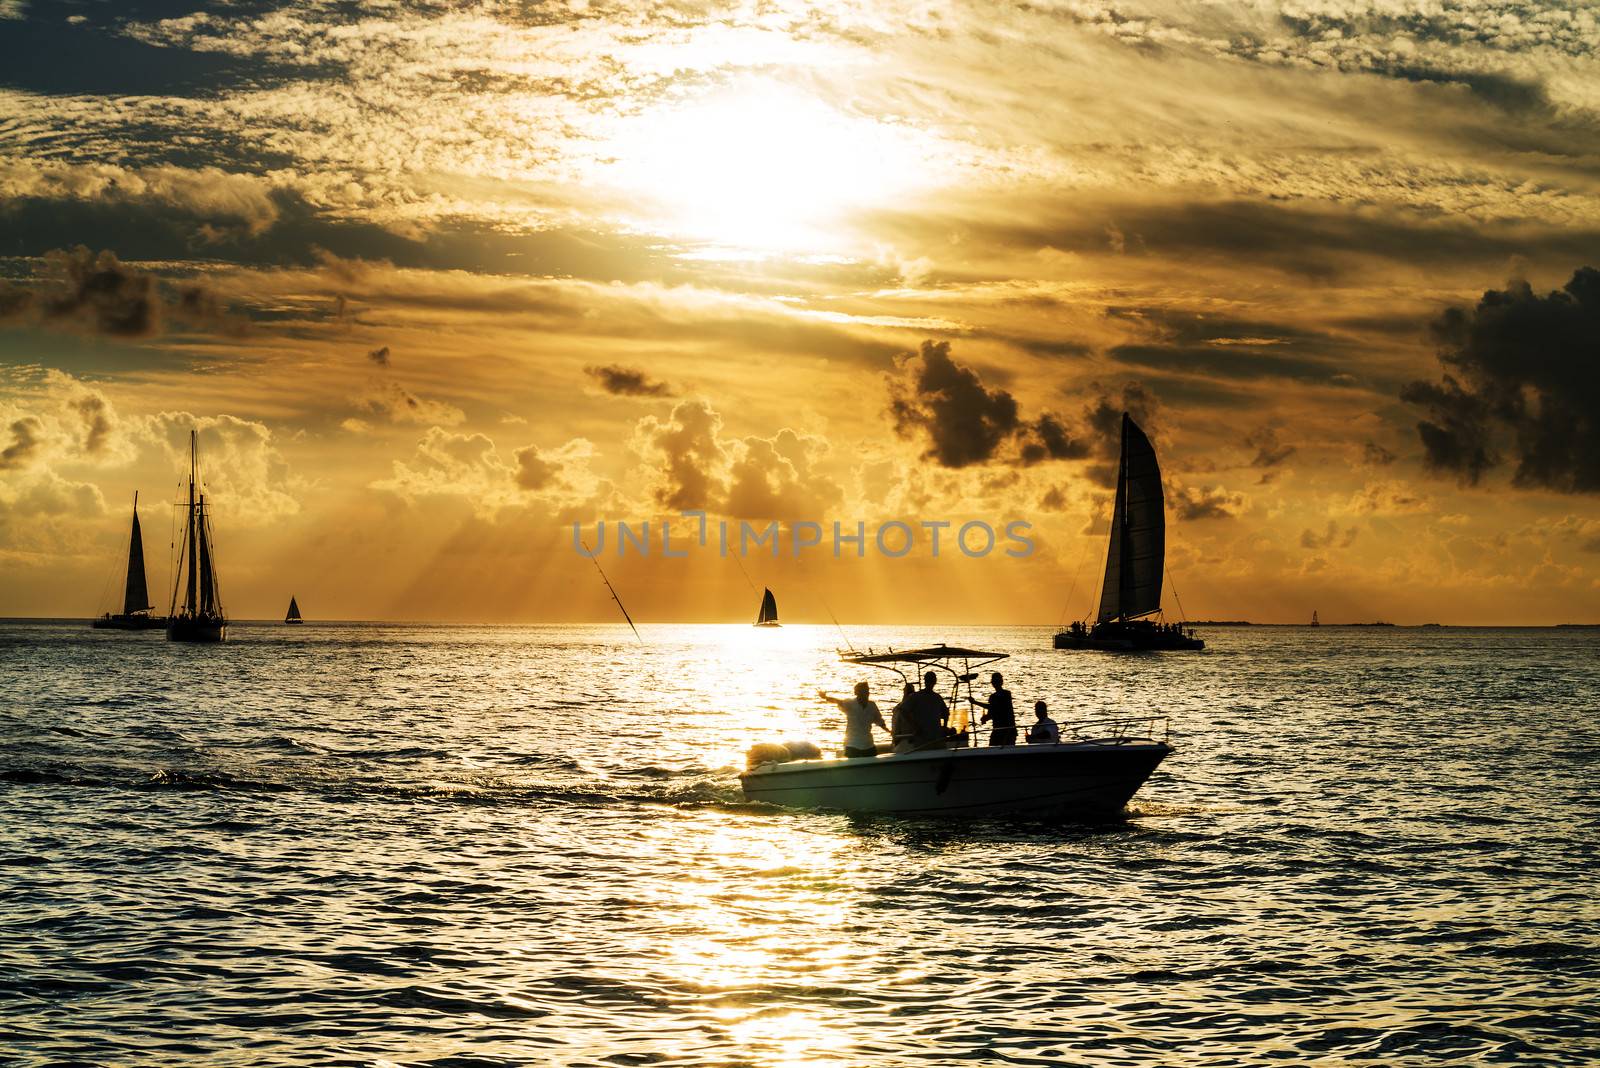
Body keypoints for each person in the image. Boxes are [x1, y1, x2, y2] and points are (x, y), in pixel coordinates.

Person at [819, 682, 887, 759]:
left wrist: (889, 731)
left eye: (867, 691)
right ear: (857, 693)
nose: (867, 693)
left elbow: (879, 720)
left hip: (868, 744)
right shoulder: (850, 703)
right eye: (864, 691)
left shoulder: (872, 705)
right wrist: (825, 697)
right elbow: (837, 701)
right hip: (852, 745)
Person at [971, 671, 1017, 747]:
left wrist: (975, 702)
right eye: (994, 681)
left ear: (1001, 682)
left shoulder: (1006, 694)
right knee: (992, 747)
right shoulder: (992, 697)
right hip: (997, 730)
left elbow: (995, 708)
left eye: (997, 681)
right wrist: (985, 718)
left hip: (1008, 730)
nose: (995, 683)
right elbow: (992, 713)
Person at [907, 670, 949, 750]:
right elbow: (903, 711)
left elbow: (946, 713)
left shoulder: (937, 698)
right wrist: (914, 726)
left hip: (935, 738)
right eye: (929, 680)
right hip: (923, 739)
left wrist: (944, 727)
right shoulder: (916, 697)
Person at [890, 682, 917, 754]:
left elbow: (895, 728)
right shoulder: (899, 709)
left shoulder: (898, 708)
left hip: (907, 740)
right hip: (906, 741)